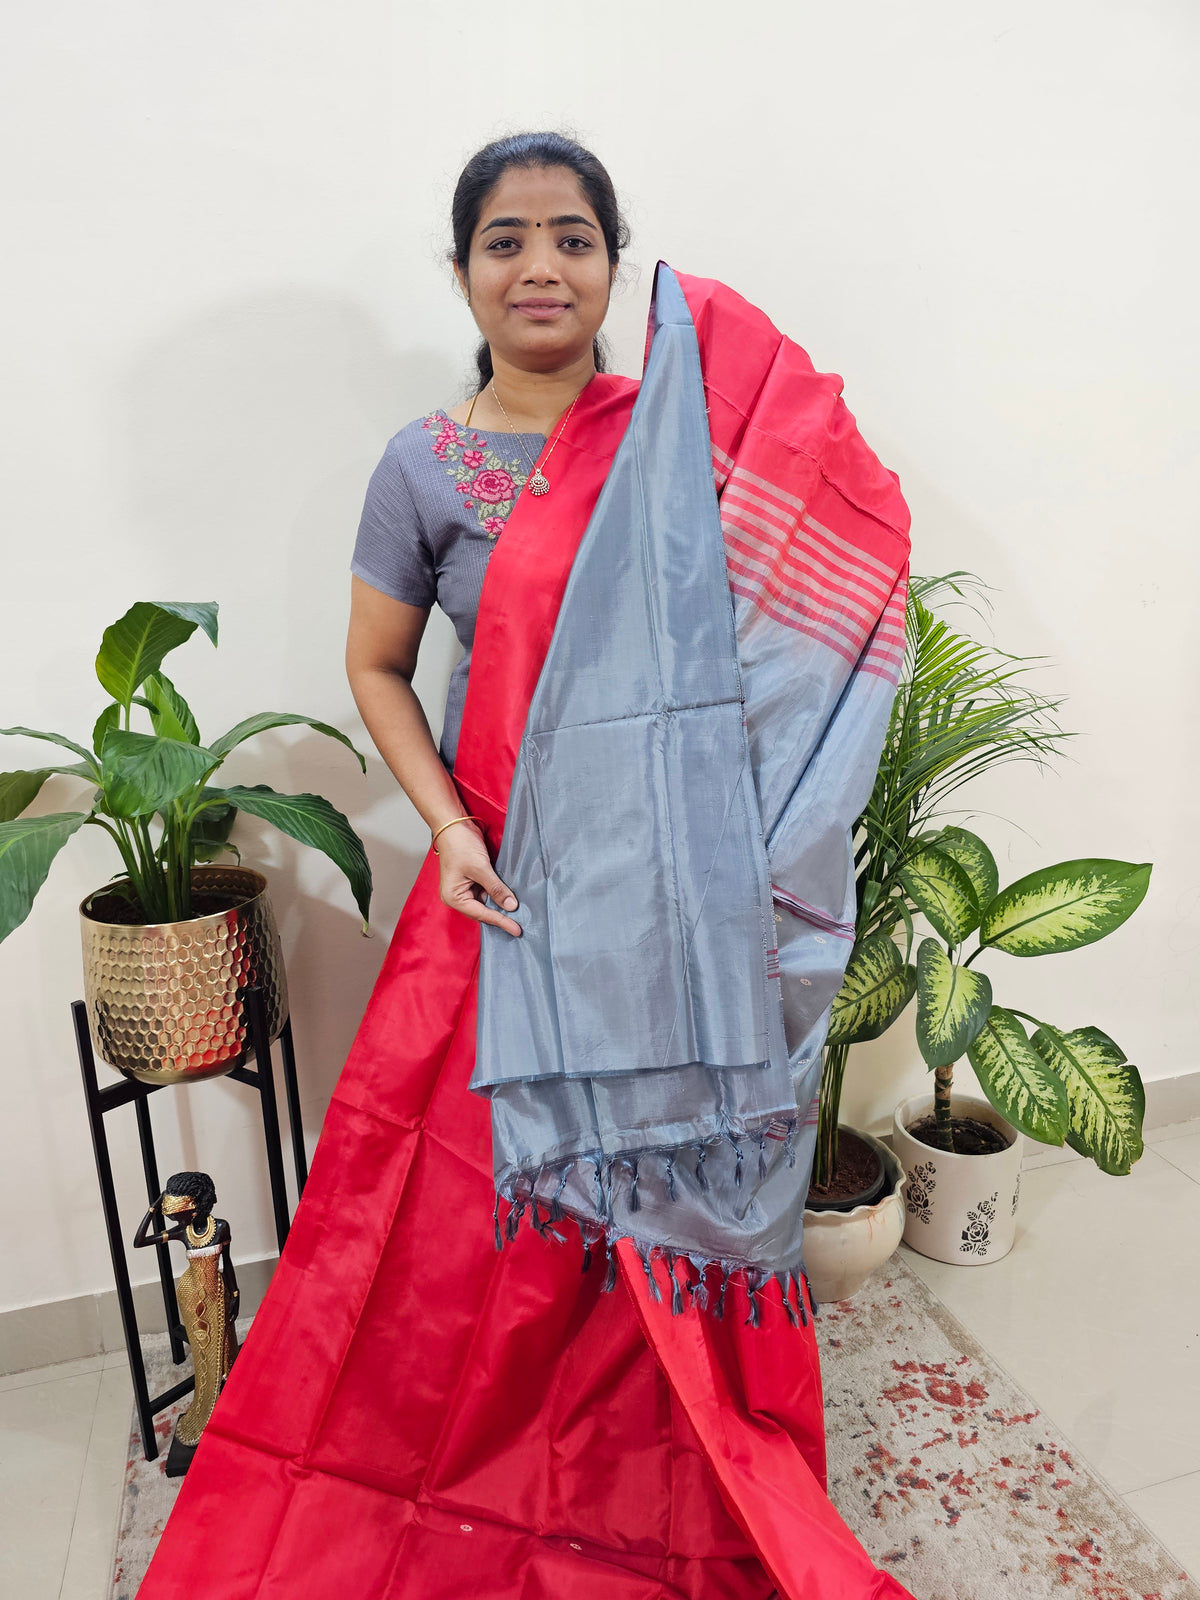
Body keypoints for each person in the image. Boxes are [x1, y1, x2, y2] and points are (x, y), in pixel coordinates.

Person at [137, 132, 915, 1600]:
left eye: (571, 235)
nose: (540, 264)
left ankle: (654, 1453)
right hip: (504, 894)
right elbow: (374, 667)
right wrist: (445, 826)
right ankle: (466, 1470)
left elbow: (810, 600)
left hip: (666, 905)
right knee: (460, 1216)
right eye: (505, 239)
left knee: (652, 1212)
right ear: (462, 272)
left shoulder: (679, 446)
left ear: (614, 261)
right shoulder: (422, 470)